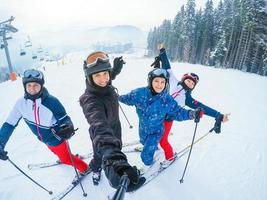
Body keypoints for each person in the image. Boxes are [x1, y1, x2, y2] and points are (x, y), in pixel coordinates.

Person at [0, 69, 89, 174]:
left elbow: (64, 118)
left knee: (66, 159)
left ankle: (85, 168)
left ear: (41, 86)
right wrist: (1, 142)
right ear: (24, 86)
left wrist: (67, 126)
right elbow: (9, 123)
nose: (32, 89)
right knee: (54, 151)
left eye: (36, 85)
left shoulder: (51, 102)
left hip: (56, 138)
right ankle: (64, 155)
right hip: (43, 138)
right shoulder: (20, 104)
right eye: (29, 85)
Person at [79, 51, 145, 190]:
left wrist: (114, 70)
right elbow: (98, 124)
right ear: (90, 78)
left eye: (106, 73)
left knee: (116, 146)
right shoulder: (90, 100)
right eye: (97, 75)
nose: (103, 79)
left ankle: (108, 155)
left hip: (115, 130)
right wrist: (113, 158)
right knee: (99, 155)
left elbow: (106, 80)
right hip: (101, 137)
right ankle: (96, 169)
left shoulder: (104, 84)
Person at [157, 45, 230, 168]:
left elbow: (202, 107)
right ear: (184, 79)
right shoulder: (174, 81)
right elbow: (167, 67)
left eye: (192, 83)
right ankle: (152, 147)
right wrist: (162, 52)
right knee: (151, 132)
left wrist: (218, 115)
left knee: (163, 140)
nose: (190, 83)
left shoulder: (188, 99)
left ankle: (170, 158)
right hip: (158, 113)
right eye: (188, 80)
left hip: (168, 119)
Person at [119, 68, 202, 170]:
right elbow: (127, 98)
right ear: (150, 81)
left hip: (156, 131)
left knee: (146, 154)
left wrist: (192, 114)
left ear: (166, 83)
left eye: (163, 82)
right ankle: (149, 148)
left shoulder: (167, 100)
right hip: (143, 128)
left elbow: (178, 112)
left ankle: (147, 164)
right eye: (156, 81)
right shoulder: (139, 93)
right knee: (143, 141)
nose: (159, 85)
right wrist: (116, 97)